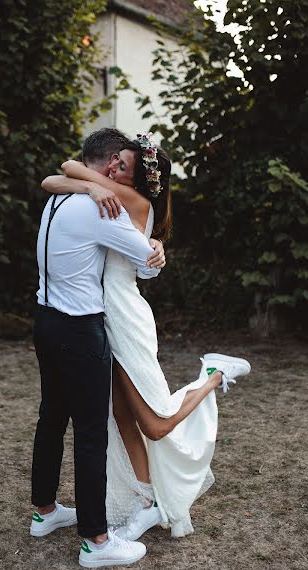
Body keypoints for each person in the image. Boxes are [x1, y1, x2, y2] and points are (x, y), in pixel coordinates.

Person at [42, 129, 251, 541]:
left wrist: (86, 181)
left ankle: (213, 374)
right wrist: (89, 184)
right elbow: (55, 180)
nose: (114, 168)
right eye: (115, 160)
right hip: (101, 318)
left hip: (125, 317)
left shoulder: (132, 200)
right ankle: (147, 502)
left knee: (153, 424)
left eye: (123, 166)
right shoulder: (111, 196)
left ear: (139, 181)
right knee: (120, 418)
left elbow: (66, 168)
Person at [30, 128, 168, 569]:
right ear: (109, 164)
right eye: (119, 164)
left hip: (45, 321)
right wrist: (155, 249)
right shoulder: (100, 208)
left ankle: (45, 513)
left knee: (51, 417)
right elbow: (145, 261)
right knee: (91, 433)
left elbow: (55, 178)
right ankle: (96, 540)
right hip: (79, 329)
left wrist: (85, 182)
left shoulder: (58, 198)